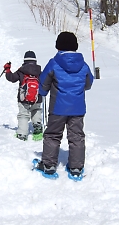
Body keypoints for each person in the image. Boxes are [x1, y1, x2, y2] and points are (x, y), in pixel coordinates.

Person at [35, 31, 94, 179]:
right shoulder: (84, 65)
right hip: (78, 108)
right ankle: (76, 168)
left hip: (57, 108)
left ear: (58, 46)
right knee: (76, 137)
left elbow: (43, 83)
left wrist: (42, 93)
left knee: (53, 135)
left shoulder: (54, 63)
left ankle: (49, 165)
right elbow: (88, 84)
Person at [4, 51, 43, 141]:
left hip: (23, 98)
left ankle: (22, 134)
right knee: (36, 110)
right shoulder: (39, 71)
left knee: (23, 115)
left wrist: (7, 70)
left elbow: (12, 78)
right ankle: (37, 126)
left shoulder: (21, 71)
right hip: (37, 98)